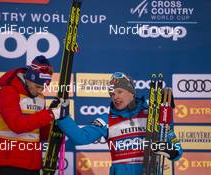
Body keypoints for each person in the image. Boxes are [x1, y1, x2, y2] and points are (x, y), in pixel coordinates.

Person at [55, 72, 183, 175]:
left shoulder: (151, 115)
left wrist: (171, 150)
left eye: (119, 92)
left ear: (131, 93)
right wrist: (61, 116)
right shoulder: (107, 120)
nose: (115, 97)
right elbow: (81, 137)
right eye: (112, 94)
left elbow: (177, 150)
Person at [0, 55, 60, 175]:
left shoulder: (41, 98)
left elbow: (42, 134)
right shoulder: (7, 92)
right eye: (37, 86)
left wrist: (57, 122)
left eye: (43, 87)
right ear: (28, 78)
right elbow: (17, 125)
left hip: (32, 163)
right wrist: (50, 115)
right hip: (8, 162)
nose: (39, 91)